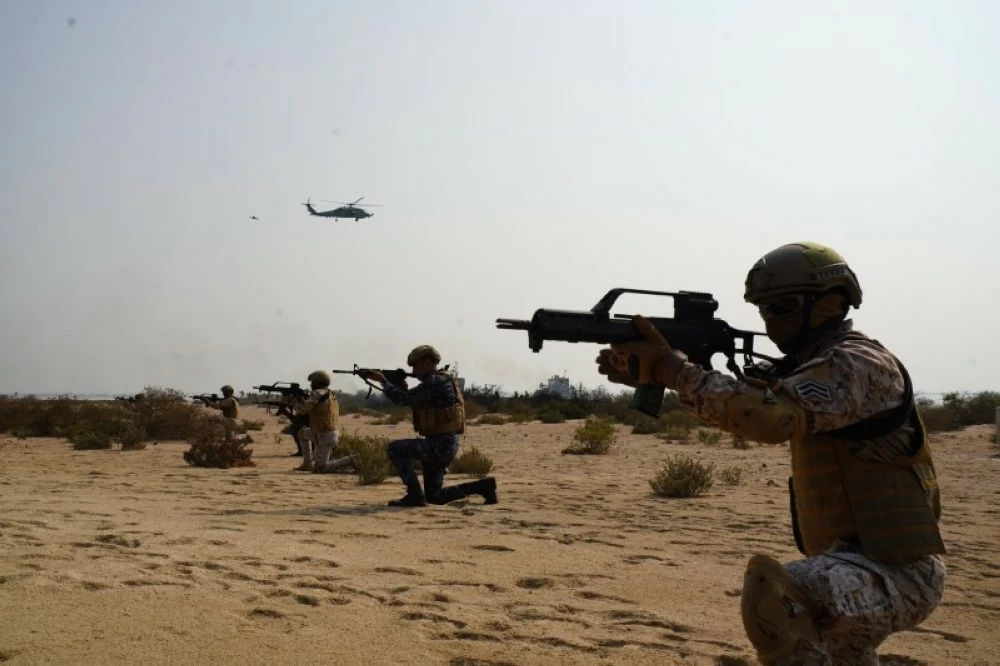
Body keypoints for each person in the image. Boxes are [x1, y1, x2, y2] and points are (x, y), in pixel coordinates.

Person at [595, 242, 946, 665]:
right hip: (850, 563)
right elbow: (739, 405)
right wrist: (658, 373)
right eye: (764, 309)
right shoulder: (803, 368)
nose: (771, 319)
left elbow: (767, 419)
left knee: (775, 596)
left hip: (898, 571)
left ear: (831, 301)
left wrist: (672, 368)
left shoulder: (858, 363)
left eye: (783, 306)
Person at [360, 345, 498, 507]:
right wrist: (399, 384)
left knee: (395, 449)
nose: (413, 370)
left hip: (440, 445)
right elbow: (412, 398)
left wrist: (383, 381)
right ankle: (484, 487)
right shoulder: (442, 379)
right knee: (435, 496)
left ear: (426, 361)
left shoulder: (435, 382)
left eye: (415, 365)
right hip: (443, 444)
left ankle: (414, 495)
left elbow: (403, 399)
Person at [291, 370, 343, 473]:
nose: (311, 385)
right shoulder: (330, 393)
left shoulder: (317, 393)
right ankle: (307, 464)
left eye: (313, 382)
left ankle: (352, 460)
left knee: (321, 468)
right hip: (324, 433)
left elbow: (303, 410)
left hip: (325, 436)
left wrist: (293, 402)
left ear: (319, 382)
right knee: (302, 433)